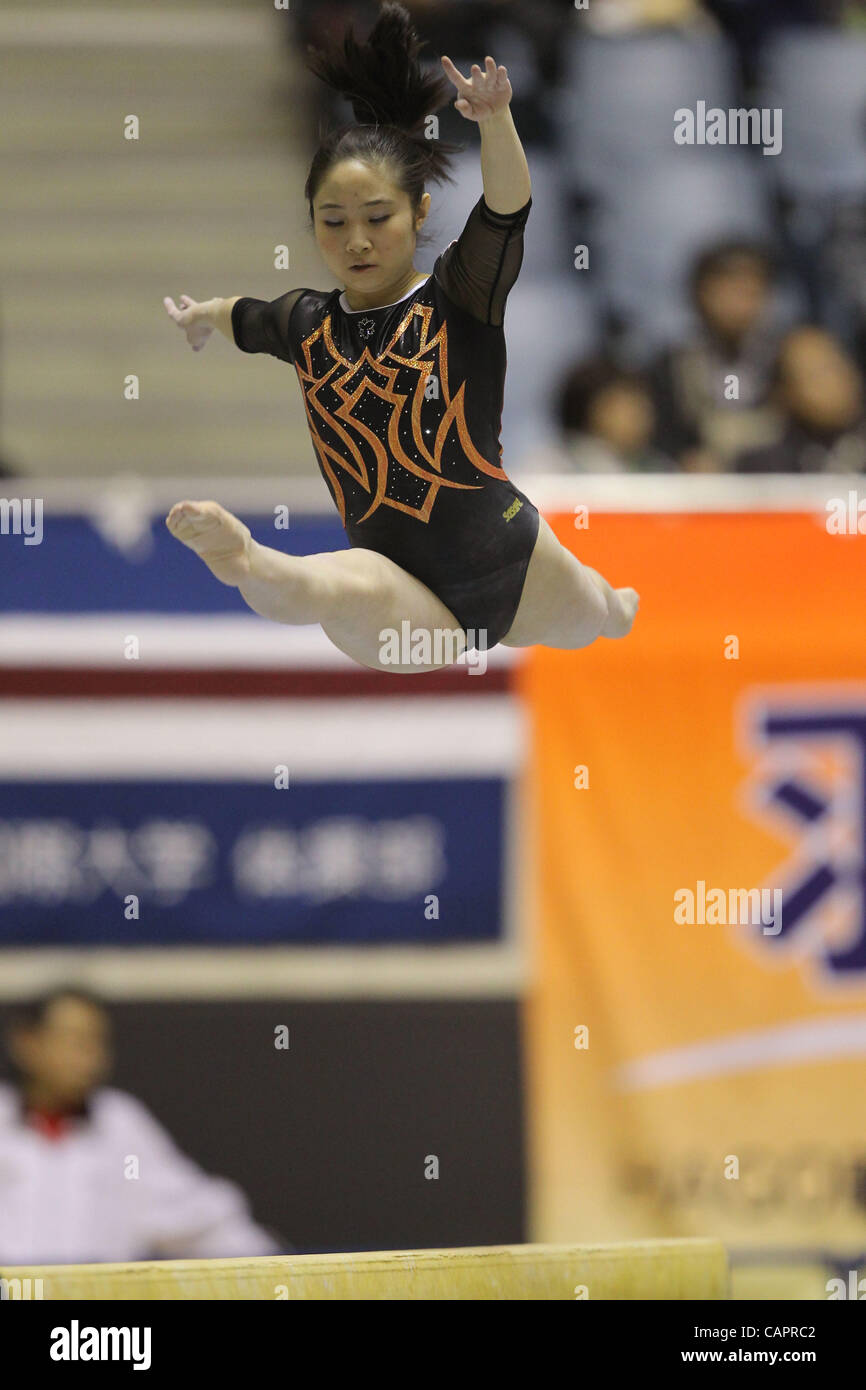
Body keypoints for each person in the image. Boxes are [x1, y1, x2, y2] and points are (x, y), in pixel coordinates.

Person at [163, 1, 638, 674]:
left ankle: (615, 605)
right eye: (333, 221)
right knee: (341, 584)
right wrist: (202, 313)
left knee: (596, 613)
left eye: (377, 217)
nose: (355, 240)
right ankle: (245, 557)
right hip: (409, 603)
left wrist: (497, 119)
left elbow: (505, 210)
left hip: (512, 571)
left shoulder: (459, 295)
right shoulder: (305, 322)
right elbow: (246, 315)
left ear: (418, 213)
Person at [0, 987, 284, 1264]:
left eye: (96, 1043)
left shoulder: (120, 1125)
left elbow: (195, 1216)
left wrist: (279, 1271)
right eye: (75, 1041)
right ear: (27, 1042)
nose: (89, 1059)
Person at [648, 241, 783, 471]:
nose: (741, 304)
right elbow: (662, 438)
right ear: (701, 293)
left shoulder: (785, 359)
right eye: (731, 290)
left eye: (751, 292)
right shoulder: (671, 365)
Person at [734, 326, 866, 472]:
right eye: (815, 376)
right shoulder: (765, 464)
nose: (833, 382)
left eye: (836, 366)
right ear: (786, 394)